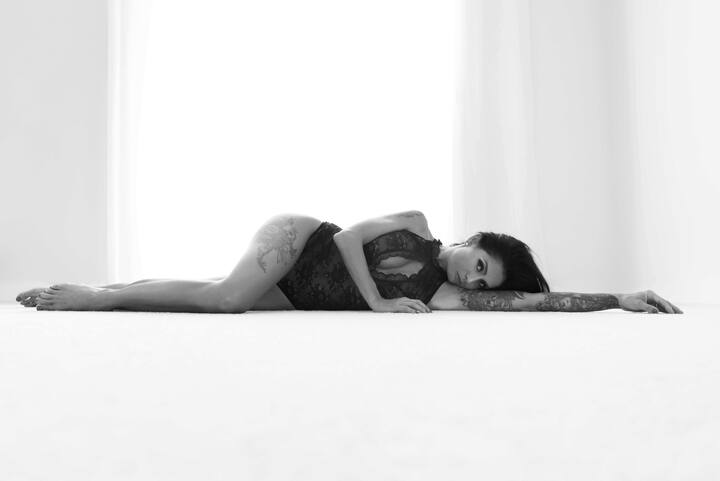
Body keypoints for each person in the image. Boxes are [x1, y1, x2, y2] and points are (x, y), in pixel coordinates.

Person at [16, 211, 683, 314]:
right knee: (225, 298)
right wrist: (380, 302)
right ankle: (96, 299)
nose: (473, 279)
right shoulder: (417, 224)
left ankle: (111, 288)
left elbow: (533, 303)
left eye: (483, 281)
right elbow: (346, 240)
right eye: (481, 263)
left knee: (213, 296)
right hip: (301, 241)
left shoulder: (445, 297)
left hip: (303, 292)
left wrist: (617, 298)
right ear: (475, 240)